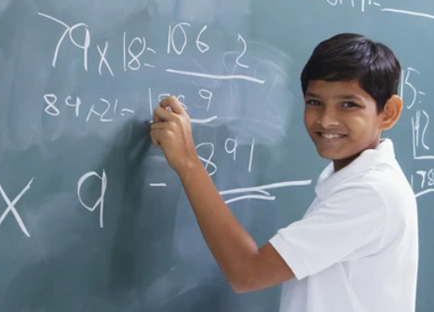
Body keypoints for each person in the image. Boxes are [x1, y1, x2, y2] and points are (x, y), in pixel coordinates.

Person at [150, 33, 419, 312]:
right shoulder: (360, 182)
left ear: (388, 112)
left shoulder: (371, 193)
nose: (326, 119)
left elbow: (248, 273)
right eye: (314, 102)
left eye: (349, 104)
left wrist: (188, 162)